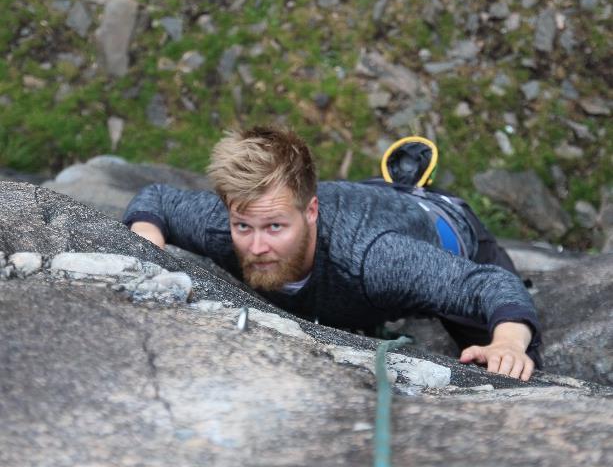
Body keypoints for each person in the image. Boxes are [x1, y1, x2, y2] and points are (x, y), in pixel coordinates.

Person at [123, 126, 541, 381]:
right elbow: (156, 200)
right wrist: (147, 250)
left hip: (446, 227)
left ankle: (410, 186)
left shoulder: (377, 260)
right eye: (243, 227)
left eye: (274, 227)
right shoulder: (227, 222)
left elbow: (491, 285)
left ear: (310, 212)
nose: (256, 247)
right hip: (363, 206)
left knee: (509, 366)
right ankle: (393, 183)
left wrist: (507, 343)